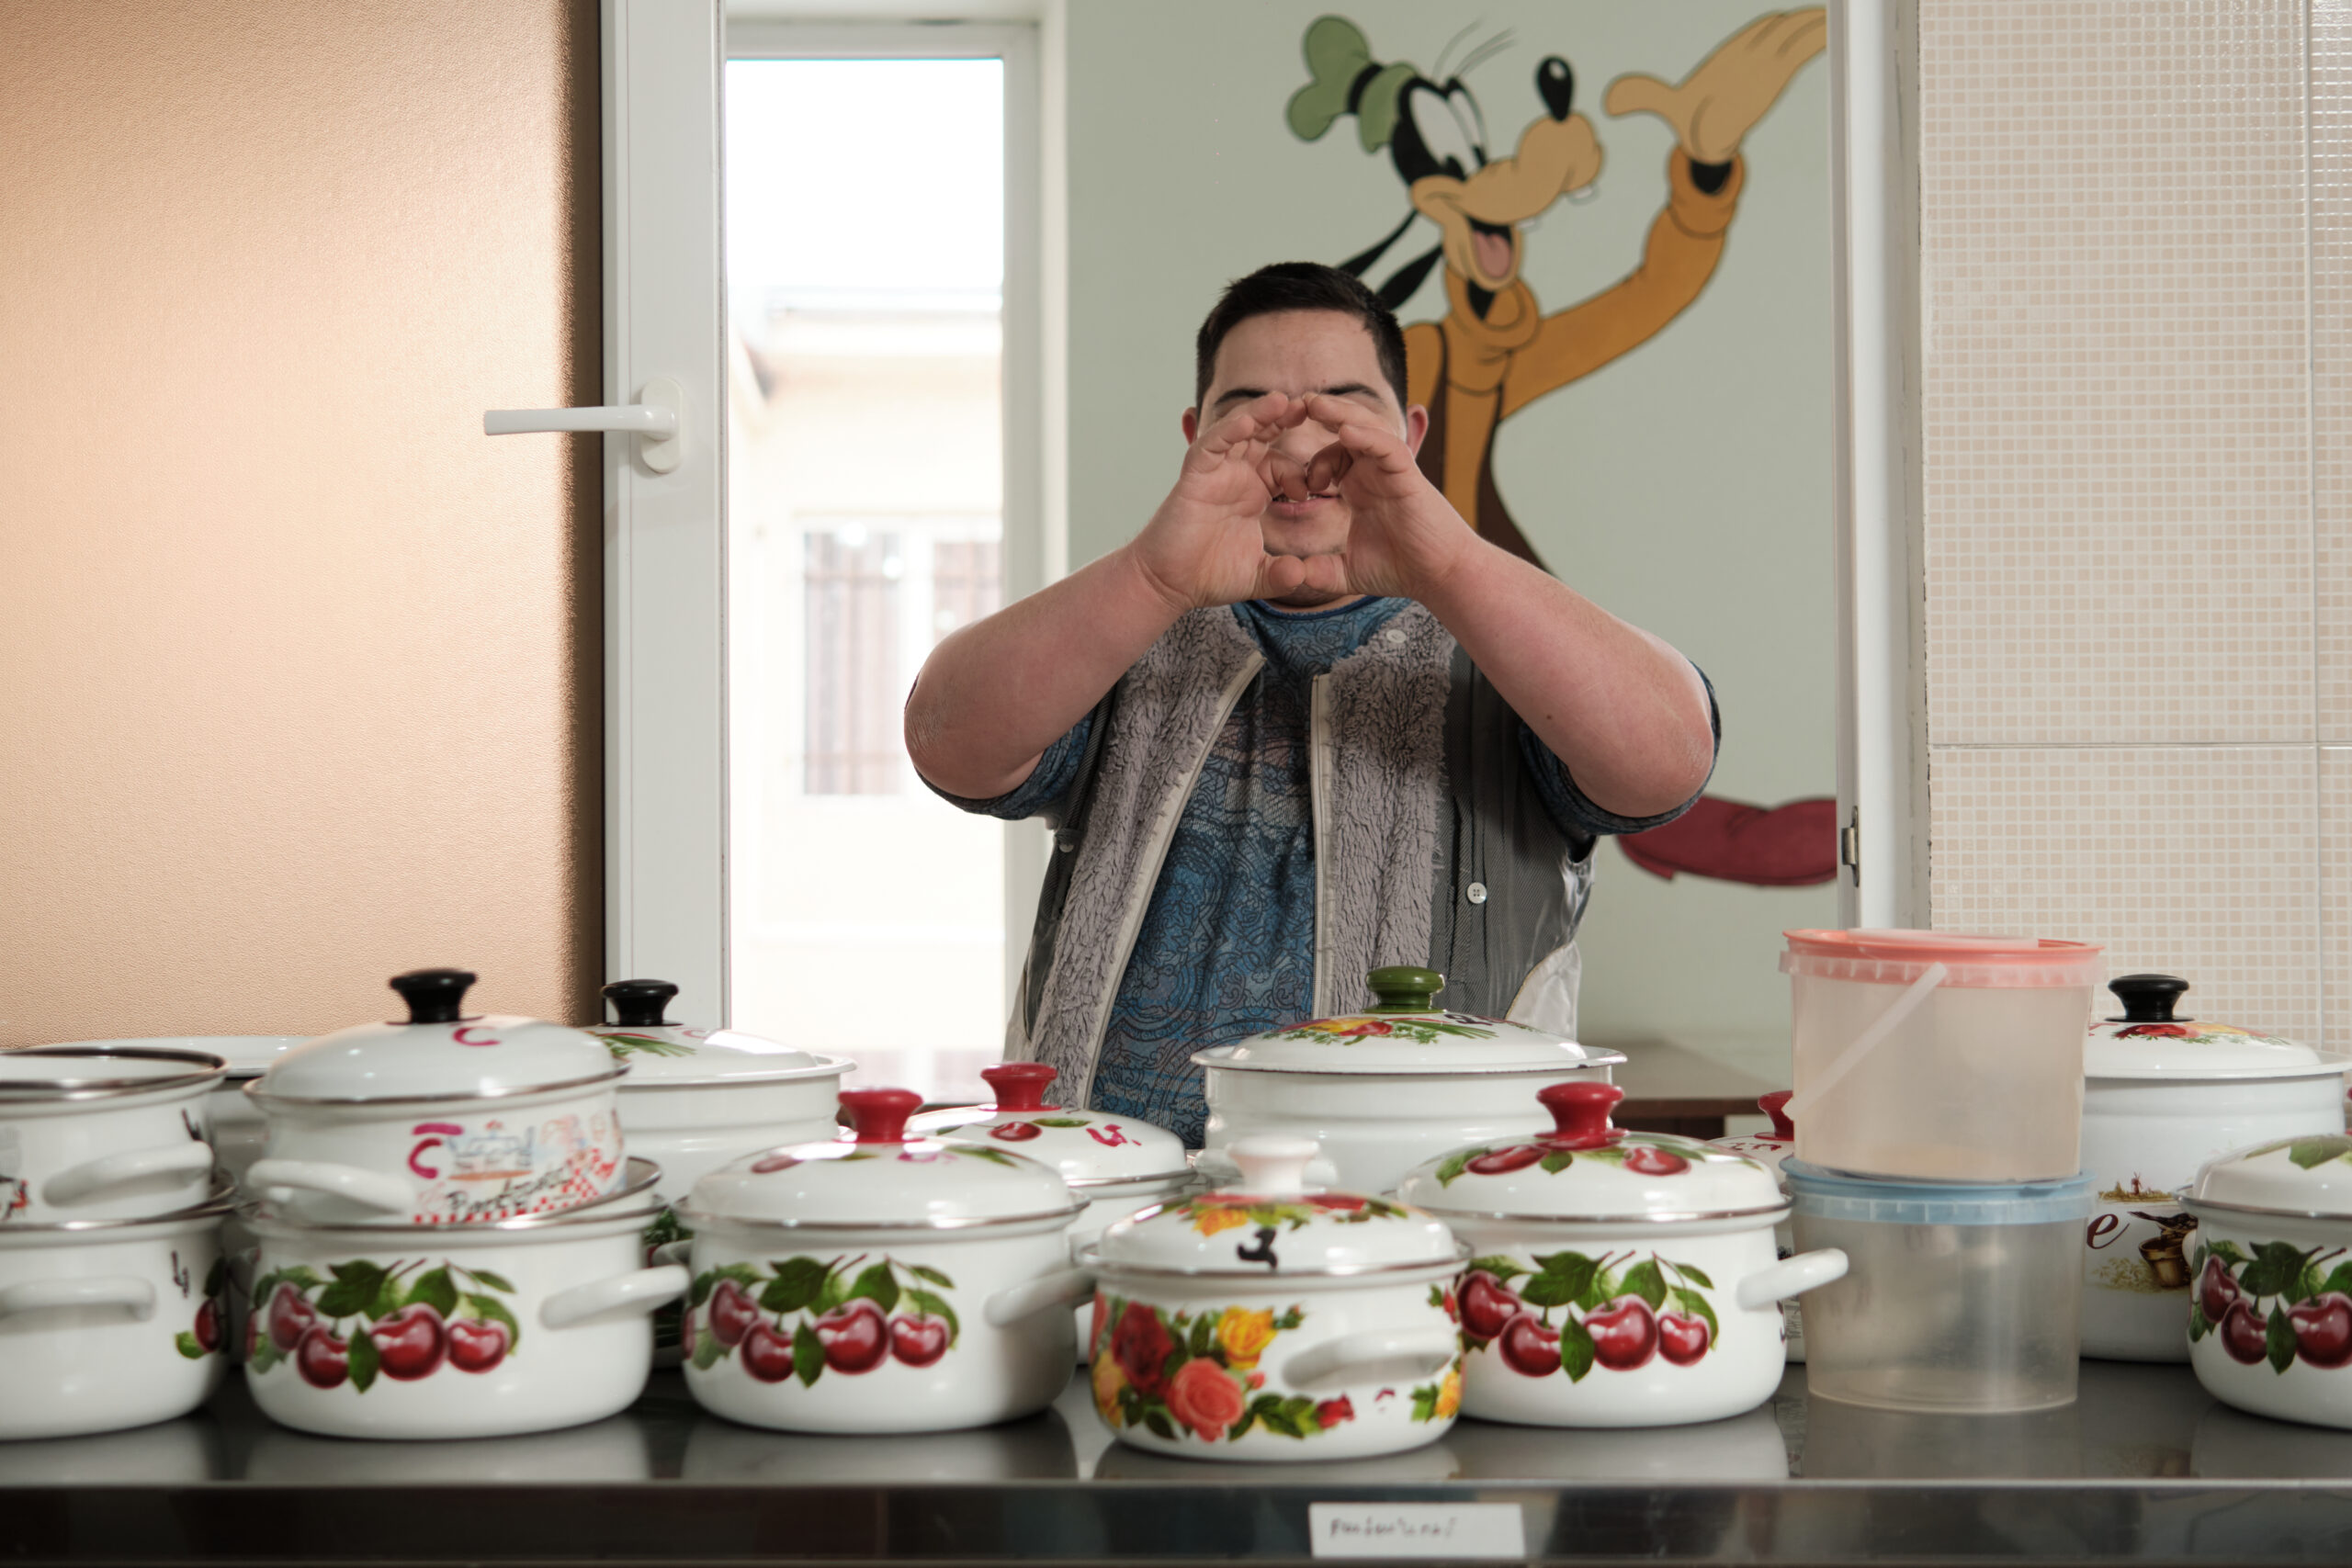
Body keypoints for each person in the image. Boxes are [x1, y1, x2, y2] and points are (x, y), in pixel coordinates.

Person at [906, 262, 1716, 1145]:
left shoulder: (1504, 647)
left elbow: (1672, 760)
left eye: (1344, 408)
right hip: (1115, 1195)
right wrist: (1153, 577)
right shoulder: (1123, 633)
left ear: (1409, 435)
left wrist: (1446, 562)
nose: (1298, 449)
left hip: (1429, 1206)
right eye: (1249, 409)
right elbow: (946, 739)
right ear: (1196, 437)